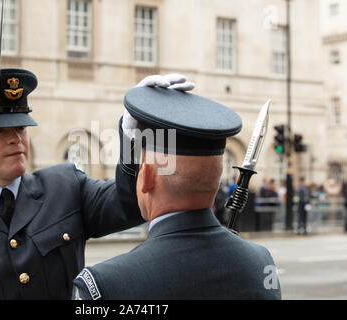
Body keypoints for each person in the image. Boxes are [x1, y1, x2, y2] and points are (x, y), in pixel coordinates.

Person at [0, 69, 192, 299]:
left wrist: (135, 130)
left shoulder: (65, 187)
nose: (17, 138)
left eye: (22, 127)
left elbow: (131, 205)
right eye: (0, 130)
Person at [71, 85, 281, 300]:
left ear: (147, 177)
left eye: (140, 166)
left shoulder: (106, 284)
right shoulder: (260, 262)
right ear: (216, 181)